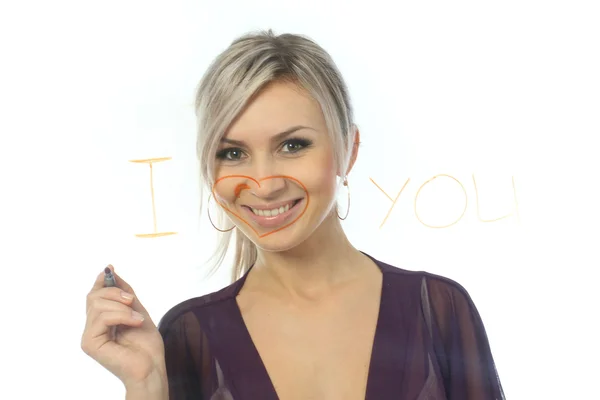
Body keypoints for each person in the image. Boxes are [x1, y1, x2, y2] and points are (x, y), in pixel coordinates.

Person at [81, 29, 506, 400]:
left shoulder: (439, 311)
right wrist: (146, 387)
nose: (263, 183)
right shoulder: (188, 337)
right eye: (233, 153)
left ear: (349, 149)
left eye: (292, 145)